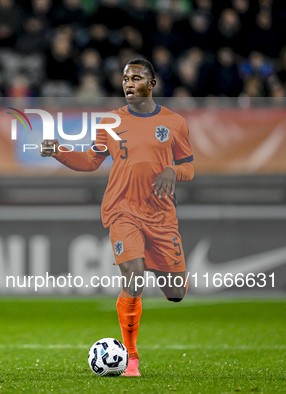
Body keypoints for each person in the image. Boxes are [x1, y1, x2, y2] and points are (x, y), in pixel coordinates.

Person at [40, 58, 195, 377]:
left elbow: (189, 167)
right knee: (134, 278)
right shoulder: (109, 121)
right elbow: (90, 161)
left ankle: (153, 257)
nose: (128, 83)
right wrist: (59, 150)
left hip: (161, 216)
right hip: (122, 210)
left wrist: (172, 170)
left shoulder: (175, 122)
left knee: (176, 293)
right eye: (125, 77)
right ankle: (131, 357)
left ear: (151, 84)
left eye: (136, 78)